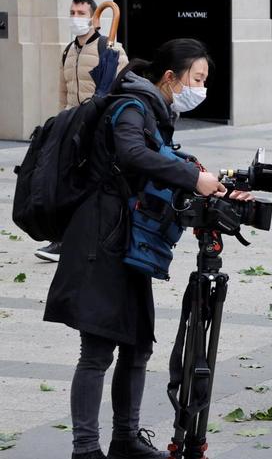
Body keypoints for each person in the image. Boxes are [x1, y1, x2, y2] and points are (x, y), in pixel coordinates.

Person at [44, 38, 251, 459]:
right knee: (98, 348)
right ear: (170, 77)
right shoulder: (132, 106)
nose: (201, 88)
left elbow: (157, 158)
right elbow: (133, 154)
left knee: (137, 342)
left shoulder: (155, 111)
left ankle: (125, 438)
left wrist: (203, 177)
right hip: (100, 239)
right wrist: (193, 179)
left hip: (128, 239)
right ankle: (85, 449)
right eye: (197, 79)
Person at [35, 0, 129, 263]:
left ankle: (89, 239)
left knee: (95, 186)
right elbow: (64, 92)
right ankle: (64, 239)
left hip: (98, 128)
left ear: (94, 18)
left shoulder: (109, 48)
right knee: (67, 183)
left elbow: (121, 88)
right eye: (72, 12)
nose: (75, 17)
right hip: (73, 127)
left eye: (80, 12)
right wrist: (60, 123)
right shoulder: (68, 51)